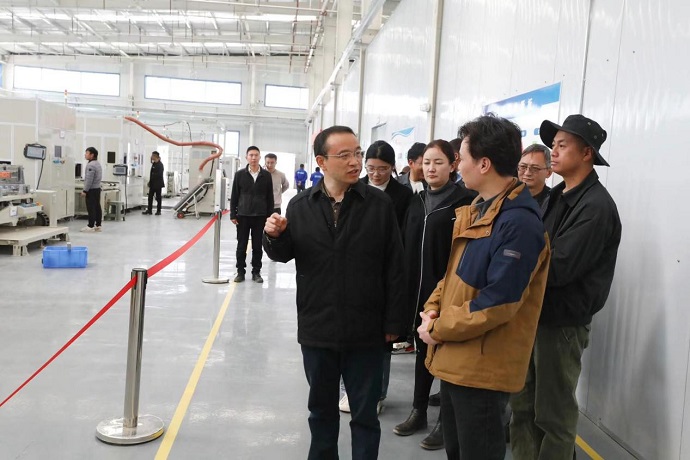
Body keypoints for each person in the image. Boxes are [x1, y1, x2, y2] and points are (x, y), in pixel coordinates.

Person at [263, 125, 407, 460]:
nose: (355, 161)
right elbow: (284, 254)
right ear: (322, 162)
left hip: (367, 329)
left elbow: (395, 266)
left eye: (357, 153)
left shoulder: (379, 204)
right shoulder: (301, 205)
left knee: (365, 416)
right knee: (321, 413)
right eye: (344, 155)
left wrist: (394, 323)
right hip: (318, 327)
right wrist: (275, 236)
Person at [417, 114, 551, 460]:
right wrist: (432, 308)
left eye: (461, 157)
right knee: (457, 451)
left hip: (482, 369)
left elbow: (498, 302)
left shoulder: (519, 223)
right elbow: (452, 276)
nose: (457, 165)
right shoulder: (478, 210)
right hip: (458, 358)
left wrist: (438, 328)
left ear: (484, 164)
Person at [510, 115, 622, 460]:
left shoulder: (596, 207)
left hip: (560, 325)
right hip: (535, 316)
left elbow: (558, 267)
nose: (553, 152)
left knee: (553, 415)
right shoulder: (558, 195)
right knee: (522, 406)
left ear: (587, 153)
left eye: (561, 145)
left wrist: (512, 261)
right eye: (553, 145)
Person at [393, 140, 476, 451]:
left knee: (448, 359)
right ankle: (418, 411)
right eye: (426, 162)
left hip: (449, 294)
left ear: (453, 165)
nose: (430, 168)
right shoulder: (416, 202)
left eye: (438, 162)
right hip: (418, 294)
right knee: (423, 354)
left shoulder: (465, 202)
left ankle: (445, 423)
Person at [338, 140, 413, 415]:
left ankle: (378, 393)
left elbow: (402, 240)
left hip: (385, 275)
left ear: (392, 168)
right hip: (355, 274)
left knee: (382, 342)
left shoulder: (403, 197)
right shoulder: (352, 188)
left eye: (382, 169)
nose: (376, 174)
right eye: (370, 168)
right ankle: (348, 390)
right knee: (349, 338)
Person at [230, 146, 274, 284]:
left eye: (256, 155)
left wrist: (269, 216)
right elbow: (234, 195)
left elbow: (270, 197)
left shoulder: (266, 176)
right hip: (243, 215)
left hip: (260, 216)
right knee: (241, 245)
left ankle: (256, 272)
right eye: (251, 155)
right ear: (246, 157)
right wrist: (233, 214)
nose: (253, 158)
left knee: (257, 246)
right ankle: (240, 272)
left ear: (260, 157)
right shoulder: (239, 175)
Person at [517, 144, 552, 213]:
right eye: (523, 167)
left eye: (535, 168)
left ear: (548, 173)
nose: (527, 173)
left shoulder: (554, 202)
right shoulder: (506, 197)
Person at [80, 146, 103, 232]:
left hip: (91, 190)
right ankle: (98, 225)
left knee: (91, 208)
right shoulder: (98, 164)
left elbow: (89, 180)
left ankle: (90, 226)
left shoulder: (91, 165)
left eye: (87, 153)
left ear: (92, 155)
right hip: (97, 188)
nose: (85, 155)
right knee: (97, 207)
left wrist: (85, 191)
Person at [143, 150, 165, 215]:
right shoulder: (154, 164)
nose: (151, 157)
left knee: (158, 198)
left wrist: (153, 177)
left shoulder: (160, 165)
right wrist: (150, 181)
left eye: (152, 155)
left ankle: (158, 210)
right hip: (152, 184)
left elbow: (159, 175)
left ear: (155, 156)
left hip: (158, 184)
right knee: (150, 197)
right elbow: (151, 174)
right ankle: (149, 210)